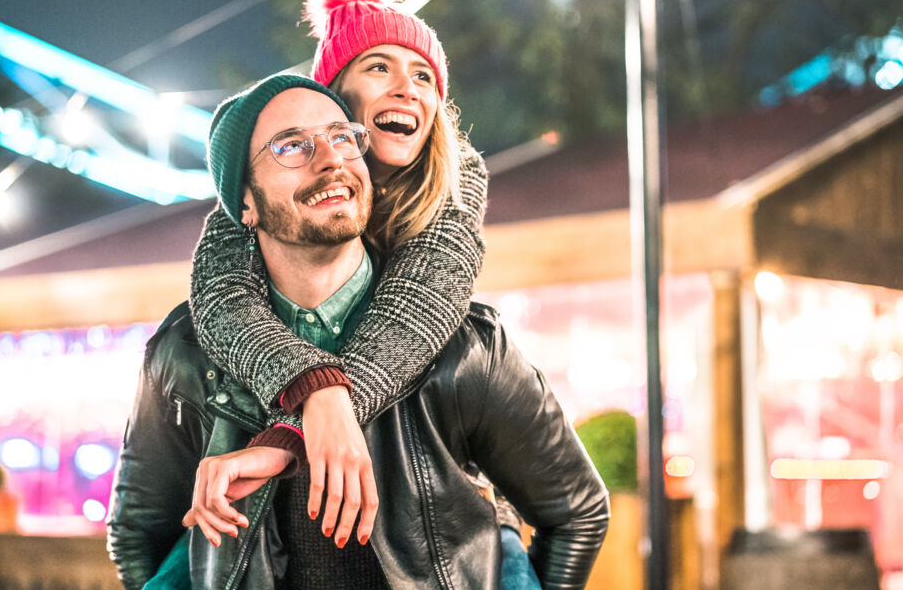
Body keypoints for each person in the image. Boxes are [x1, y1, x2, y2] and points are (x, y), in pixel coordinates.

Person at [106, 75, 610, 589]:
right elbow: (138, 536)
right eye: (292, 145)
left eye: (342, 136)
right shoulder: (185, 353)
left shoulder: (466, 347)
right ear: (245, 204)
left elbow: (577, 513)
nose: (331, 159)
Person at [189, 0, 494, 552]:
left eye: (424, 76)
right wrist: (313, 387)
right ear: (333, 95)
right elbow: (221, 294)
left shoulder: (456, 180)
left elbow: (419, 307)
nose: (407, 88)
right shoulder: (270, 182)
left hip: (449, 527)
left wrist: (305, 414)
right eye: (379, 67)